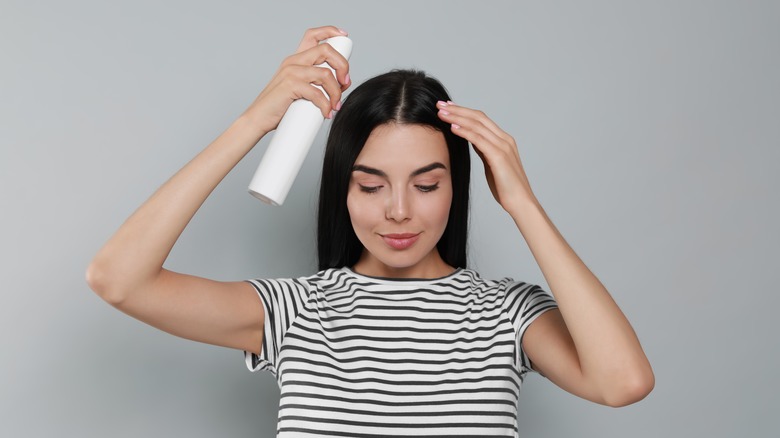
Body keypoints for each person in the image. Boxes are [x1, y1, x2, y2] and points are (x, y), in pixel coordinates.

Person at [87, 26, 654, 437]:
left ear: (458, 187)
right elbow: (118, 279)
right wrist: (255, 120)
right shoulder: (296, 311)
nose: (399, 211)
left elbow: (622, 382)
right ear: (343, 188)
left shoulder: (506, 313)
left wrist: (523, 203)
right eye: (371, 184)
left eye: (427, 186)